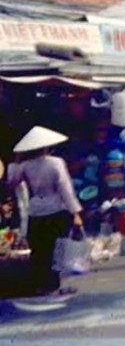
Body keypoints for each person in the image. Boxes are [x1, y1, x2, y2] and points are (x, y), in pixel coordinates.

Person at [6, 126, 82, 296]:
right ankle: (55, 284)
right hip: (55, 208)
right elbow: (65, 189)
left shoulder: (25, 166)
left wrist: (17, 160)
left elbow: (12, 181)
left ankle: (41, 285)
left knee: (40, 249)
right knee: (58, 248)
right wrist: (75, 212)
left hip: (36, 209)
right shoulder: (56, 162)